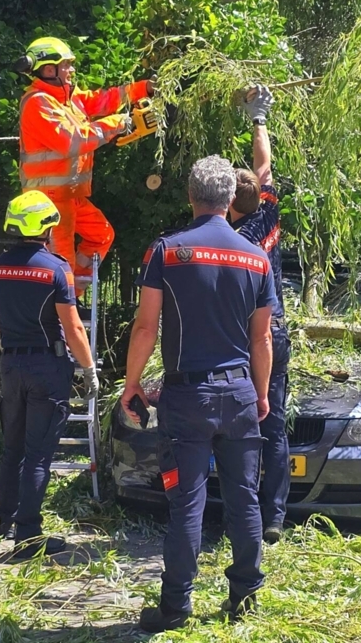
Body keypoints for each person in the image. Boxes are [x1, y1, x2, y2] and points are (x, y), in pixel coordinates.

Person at [121, 155, 278, 632]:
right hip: (239, 395)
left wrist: (132, 385)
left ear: (190, 197)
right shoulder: (256, 257)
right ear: (231, 201)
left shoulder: (167, 251)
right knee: (244, 499)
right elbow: (262, 339)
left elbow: (147, 326)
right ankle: (245, 595)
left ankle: (175, 607)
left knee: (186, 502)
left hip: (187, 398)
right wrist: (262, 394)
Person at [0, 191, 99, 560]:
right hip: (47, 368)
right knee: (37, 455)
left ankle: (6, 519)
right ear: (46, 228)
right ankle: (29, 537)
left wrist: (9, 353)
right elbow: (74, 328)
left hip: (11, 365)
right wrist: (89, 370)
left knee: (12, 448)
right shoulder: (55, 268)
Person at [15, 36, 154, 288]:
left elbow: (104, 99)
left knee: (101, 236)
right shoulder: (37, 103)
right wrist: (119, 124)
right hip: (49, 200)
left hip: (70, 197)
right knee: (61, 264)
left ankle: (71, 297)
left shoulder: (69, 98)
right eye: (66, 65)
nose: (72, 70)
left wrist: (144, 89)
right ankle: (60, 310)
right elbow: (72, 140)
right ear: (48, 69)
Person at [230, 85, 290, 544]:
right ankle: (273, 518)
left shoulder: (227, 242)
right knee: (274, 424)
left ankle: (240, 510)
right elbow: (264, 168)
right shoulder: (267, 218)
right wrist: (259, 119)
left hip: (239, 338)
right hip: (274, 334)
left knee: (239, 426)